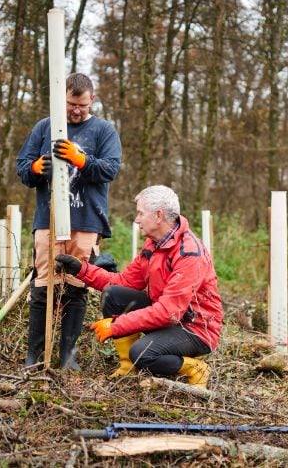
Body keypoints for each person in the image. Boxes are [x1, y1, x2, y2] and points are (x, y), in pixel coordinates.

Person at [55, 185, 223, 388]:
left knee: (142, 353)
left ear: (158, 215)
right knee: (113, 295)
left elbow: (169, 312)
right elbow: (123, 282)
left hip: (195, 328)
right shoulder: (154, 244)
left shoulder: (189, 254)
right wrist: (82, 270)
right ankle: (128, 367)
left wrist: (116, 326)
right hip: (169, 314)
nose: (136, 219)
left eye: (141, 213)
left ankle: (195, 369)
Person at [16, 73, 122, 370]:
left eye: (83, 105)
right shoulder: (45, 127)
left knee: (77, 286)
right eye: (72, 104)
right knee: (42, 286)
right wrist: (36, 167)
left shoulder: (103, 130)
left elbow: (111, 169)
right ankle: (34, 357)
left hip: (87, 221)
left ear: (92, 100)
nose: (77, 110)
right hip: (48, 220)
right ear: (63, 100)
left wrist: (82, 160)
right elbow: (22, 167)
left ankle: (69, 357)